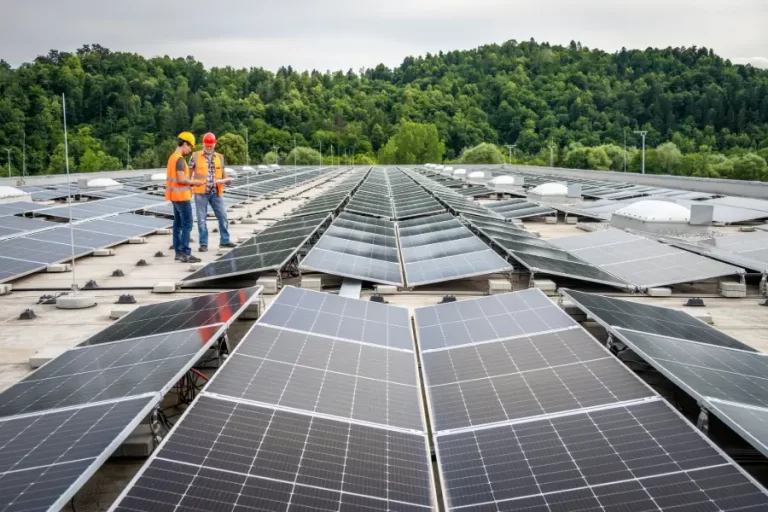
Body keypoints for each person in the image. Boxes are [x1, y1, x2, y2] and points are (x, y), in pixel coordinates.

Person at [188, 132, 235, 252]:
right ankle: (203, 244)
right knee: (201, 219)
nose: (209, 148)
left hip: (216, 191)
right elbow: (189, 175)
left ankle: (225, 240)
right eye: (207, 145)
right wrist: (190, 185)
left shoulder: (219, 157)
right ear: (203, 144)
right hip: (200, 192)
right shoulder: (195, 156)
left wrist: (227, 180)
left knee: (223, 216)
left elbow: (223, 173)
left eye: (211, 146)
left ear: (215, 144)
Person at [166, 132, 204, 263]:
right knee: (187, 224)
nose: (190, 150)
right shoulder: (180, 160)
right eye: (190, 147)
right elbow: (182, 179)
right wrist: (195, 182)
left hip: (174, 196)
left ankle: (178, 252)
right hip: (182, 197)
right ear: (185, 144)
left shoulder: (172, 157)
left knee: (177, 224)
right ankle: (185, 252)